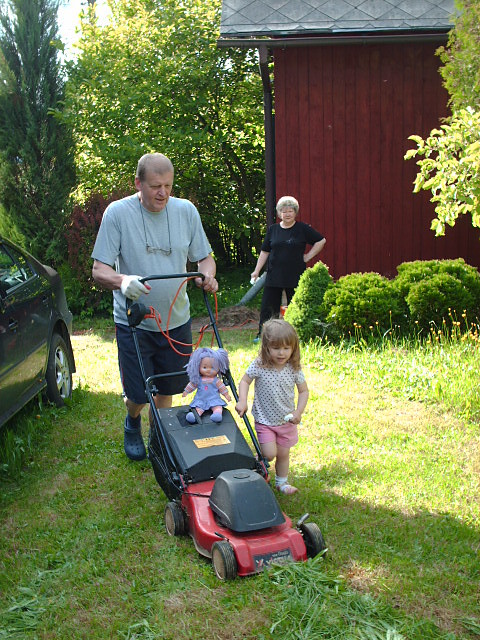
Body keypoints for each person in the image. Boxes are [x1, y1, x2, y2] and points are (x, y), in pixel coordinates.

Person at [91, 152, 218, 461]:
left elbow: (205, 258)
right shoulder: (117, 214)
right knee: (138, 393)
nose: (163, 193)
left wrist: (207, 276)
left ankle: (158, 437)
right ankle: (133, 420)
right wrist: (122, 281)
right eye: (155, 186)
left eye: (168, 186)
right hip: (135, 323)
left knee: (168, 387)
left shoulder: (186, 211)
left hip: (176, 321)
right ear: (138, 183)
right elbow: (99, 271)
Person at [235, 318, 309, 495]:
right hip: (265, 420)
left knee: (283, 454)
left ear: (293, 348)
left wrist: (298, 411)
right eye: (276, 348)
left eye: (286, 348)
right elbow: (245, 381)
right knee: (269, 454)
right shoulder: (260, 364)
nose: (282, 353)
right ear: (266, 348)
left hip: (287, 421)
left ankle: (281, 483)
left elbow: (304, 391)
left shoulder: (294, 367)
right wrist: (242, 400)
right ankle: (256, 466)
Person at [251, 196, 326, 341]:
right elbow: (265, 251)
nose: (287, 214)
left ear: (295, 212)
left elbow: (321, 240)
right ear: (279, 213)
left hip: (295, 275)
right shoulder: (273, 230)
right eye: (284, 211)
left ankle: (296, 334)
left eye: (290, 211)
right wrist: (256, 270)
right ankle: (263, 335)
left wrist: (308, 256)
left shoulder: (302, 228)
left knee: (295, 305)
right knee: (268, 306)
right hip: (274, 275)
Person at [182, 347, 232, 423]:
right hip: (201, 399)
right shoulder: (198, 379)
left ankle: (217, 414)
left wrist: (226, 394)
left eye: (213, 368)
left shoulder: (216, 380)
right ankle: (194, 416)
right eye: (205, 367)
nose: (208, 370)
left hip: (214, 399)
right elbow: (192, 385)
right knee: (198, 408)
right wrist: (186, 391)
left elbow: (222, 388)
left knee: (218, 407)